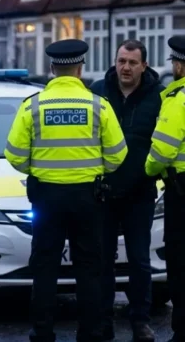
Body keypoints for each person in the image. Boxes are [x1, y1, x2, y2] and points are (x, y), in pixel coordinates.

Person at [4, 39, 128, 342]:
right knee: (89, 267)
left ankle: (43, 332)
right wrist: (94, 169)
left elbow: (14, 154)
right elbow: (118, 153)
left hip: (47, 198)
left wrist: (40, 169)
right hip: (88, 197)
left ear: (52, 69)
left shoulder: (33, 106)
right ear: (80, 68)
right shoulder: (98, 105)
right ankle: (90, 332)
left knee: (45, 266)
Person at [89, 40, 162, 342]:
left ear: (144, 66)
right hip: (103, 192)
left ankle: (140, 321)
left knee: (139, 261)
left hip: (140, 193)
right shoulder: (98, 91)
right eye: (121, 61)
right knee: (102, 261)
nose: (126, 68)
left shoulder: (158, 97)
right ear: (115, 61)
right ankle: (103, 322)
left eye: (132, 62)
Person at [145, 35, 185, 342]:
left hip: (181, 190)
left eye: (175, 62)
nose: (173, 67)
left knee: (180, 260)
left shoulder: (178, 99)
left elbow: (162, 150)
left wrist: (148, 171)